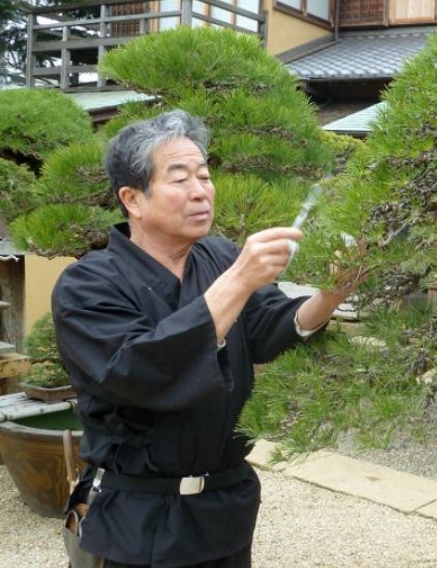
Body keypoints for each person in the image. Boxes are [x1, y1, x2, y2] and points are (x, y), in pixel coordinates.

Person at [52, 109, 365, 568]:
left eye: (204, 174)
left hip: (225, 505)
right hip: (139, 517)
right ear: (132, 199)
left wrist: (334, 293)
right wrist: (238, 280)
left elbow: (269, 326)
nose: (201, 191)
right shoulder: (86, 284)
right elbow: (137, 370)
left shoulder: (218, 255)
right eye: (180, 179)